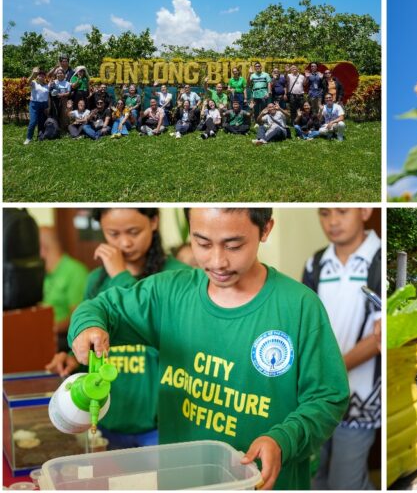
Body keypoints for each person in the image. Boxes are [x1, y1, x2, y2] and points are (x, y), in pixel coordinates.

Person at [66, 208, 349, 489]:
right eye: (202, 243)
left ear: (265, 230)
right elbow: (102, 307)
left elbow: (327, 397)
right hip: (184, 482)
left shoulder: (299, 306)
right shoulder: (168, 294)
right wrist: (89, 325)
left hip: (262, 482)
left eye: (234, 245)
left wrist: (284, 439)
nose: (217, 261)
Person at [47, 208, 190, 450]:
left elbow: (167, 335)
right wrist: (74, 359)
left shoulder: (178, 277)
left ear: (154, 222)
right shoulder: (96, 280)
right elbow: (91, 340)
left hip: (158, 425)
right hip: (105, 419)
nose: (124, 242)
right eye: (113, 234)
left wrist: (120, 274)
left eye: (134, 232)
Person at [303, 208, 381, 491]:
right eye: (324, 214)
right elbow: (305, 326)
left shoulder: (379, 260)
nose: (332, 221)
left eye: (341, 212)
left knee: (345, 482)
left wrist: (331, 369)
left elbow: (378, 338)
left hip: (360, 400)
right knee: (314, 477)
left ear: (365, 211)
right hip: (316, 397)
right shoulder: (315, 265)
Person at [39, 227, 88, 352]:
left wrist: (46, 329)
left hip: (63, 339)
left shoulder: (75, 272)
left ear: (42, 248)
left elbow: (78, 318)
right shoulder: (39, 272)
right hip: (43, 335)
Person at [25, 67, 50, 145]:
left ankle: (40, 136)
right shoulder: (34, 83)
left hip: (44, 105)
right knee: (33, 122)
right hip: (34, 104)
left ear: (45, 77)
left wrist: (48, 106)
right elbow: (28, 81)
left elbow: (48, 97)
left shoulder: (46, 86)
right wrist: (33, 73)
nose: (41, 77)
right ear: (37, 77)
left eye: (43, 76)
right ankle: (28, 138)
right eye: (40, 76)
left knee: (42, 122)